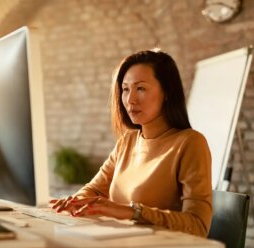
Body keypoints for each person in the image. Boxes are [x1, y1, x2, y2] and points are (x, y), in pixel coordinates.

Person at [50, 49, 213, 238]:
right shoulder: (127, 142)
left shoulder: (190, 143)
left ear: (167, 92)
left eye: (141, 88)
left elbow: (198, 225)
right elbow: (94, 189)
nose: (130, 100)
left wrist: (132, 212)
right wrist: (75, 202)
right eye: (125, 89)